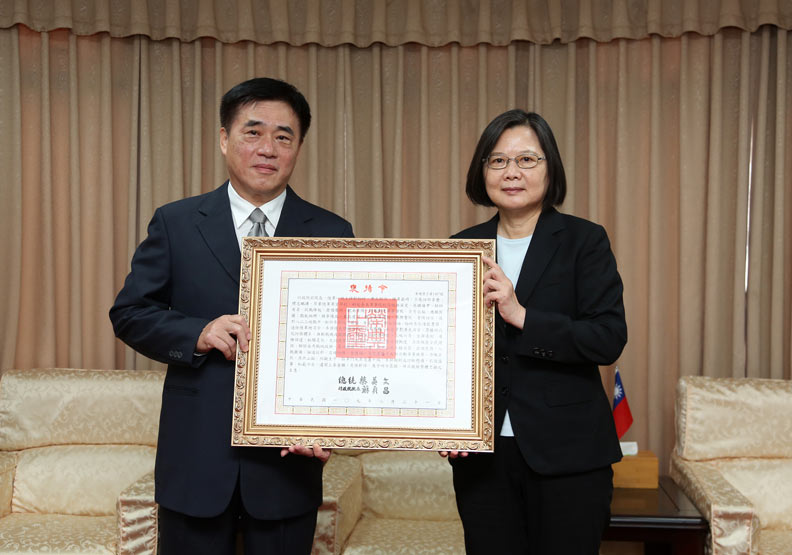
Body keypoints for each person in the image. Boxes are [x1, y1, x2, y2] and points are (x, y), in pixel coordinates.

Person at [110, 77, 353, 554]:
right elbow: (131, 313)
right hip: (197, 457)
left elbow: (343, 343)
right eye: (253, 132)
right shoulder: (176, 222)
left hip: (288, 464)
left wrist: (329, 425)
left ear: (298, 148)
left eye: (283, 137)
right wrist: (197, 332)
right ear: (224, 139)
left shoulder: (330, 231)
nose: (268, 148)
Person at [443, 109, 627, 554]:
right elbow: (445, 352)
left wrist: (522, 315)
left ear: (550, 168)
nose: (511, 172)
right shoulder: (461, 247)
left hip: (569, 456)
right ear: (482, 171)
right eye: (498, 160)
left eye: (527, 159)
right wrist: (445, 424)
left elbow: (607, 338)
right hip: (483, 459)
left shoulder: (585, 241)